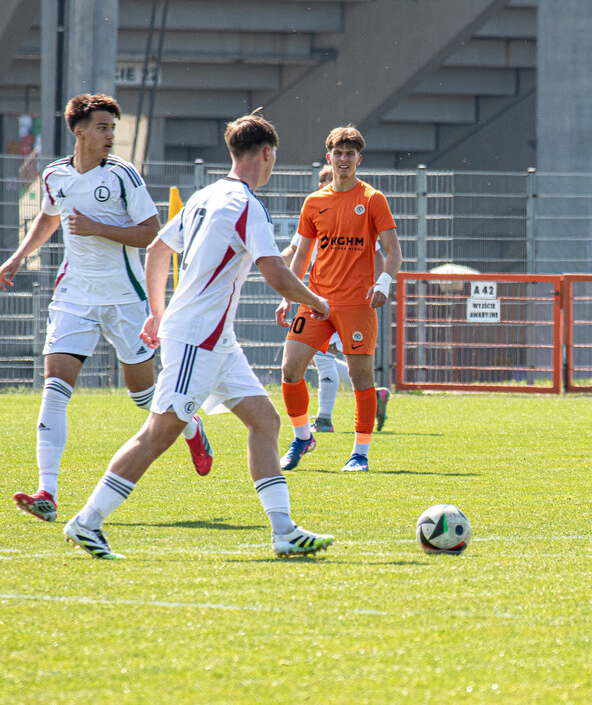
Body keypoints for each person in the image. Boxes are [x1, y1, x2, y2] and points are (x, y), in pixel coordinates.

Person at [62, 111, 335, 560]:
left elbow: (158, 249)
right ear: (267, 154)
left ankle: (284, 531)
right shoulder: (247, 205)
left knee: (265, 421)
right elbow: (277, 274)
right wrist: (318, 302)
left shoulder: (205, 195)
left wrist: (156, 314)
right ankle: (87, 521)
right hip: (198, 339)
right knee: (160, 432)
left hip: (216, 340)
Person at [0, 93, 213, 524]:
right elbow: (49, 217)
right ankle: (48, 492)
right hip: (74, 296)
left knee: (144, 397)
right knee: (55, 387)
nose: (110, 135)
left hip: (125, 299)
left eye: (112, 128)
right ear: (79, 132)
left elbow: (151, 233)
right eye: (102, 128)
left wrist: (98, 227)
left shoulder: (122, 175)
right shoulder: (55, 175)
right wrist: (19, 256)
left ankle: (191, 427)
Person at [276, 126, 402, 472]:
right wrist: (289, 296)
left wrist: (383, 283)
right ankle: (303, 438)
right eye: (338, 153)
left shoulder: (372, 199)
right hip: (316, 300)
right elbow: (302, 254)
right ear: (328, 157)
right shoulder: (314, 202)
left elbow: (393, 250)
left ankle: (359, 454)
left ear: (359, 159)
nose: (343, 159)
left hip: (358, 303)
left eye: (350, 154)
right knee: (290, 369)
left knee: (361, 377)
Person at [279, 165, 390, 434]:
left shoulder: (361, 207)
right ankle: (320, 423)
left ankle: (326, 419)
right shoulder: (315, 208)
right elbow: (296, 252)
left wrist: (379, 284)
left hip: (351, 300)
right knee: (314, 360)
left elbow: (379, 253)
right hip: (317, 297)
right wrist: (275, 271)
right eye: (329, 181)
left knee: (330, 360)